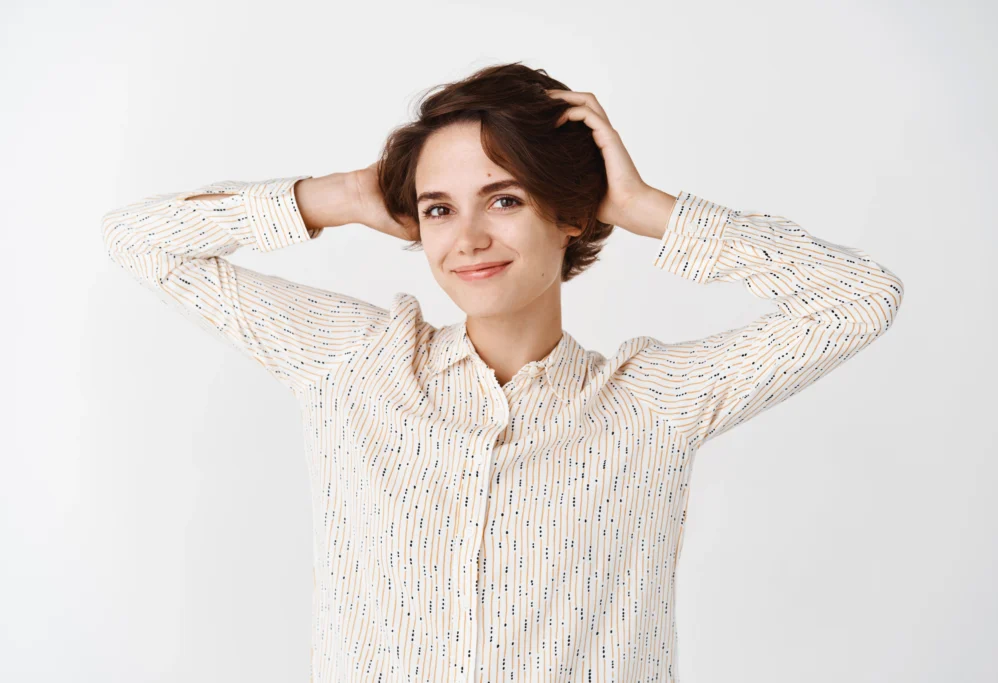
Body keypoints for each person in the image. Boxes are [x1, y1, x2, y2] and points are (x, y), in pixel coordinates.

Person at [100, 62, 904, 682]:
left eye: (506, 198)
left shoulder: (652, 402)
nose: (467, 236)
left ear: (570, 213)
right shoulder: (355, 364)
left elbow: (861, 299)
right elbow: (139, 241)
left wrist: (647, 206)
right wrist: (342, 195)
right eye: (439, 207)